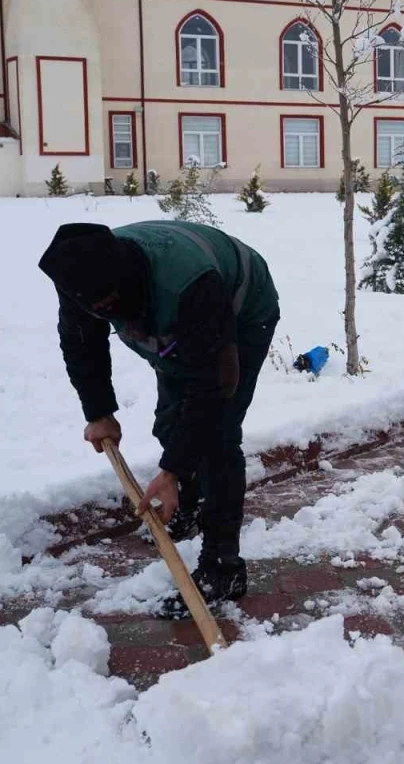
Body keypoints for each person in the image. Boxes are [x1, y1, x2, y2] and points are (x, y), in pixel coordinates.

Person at [38, 220, 279, 618]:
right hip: (174, 312)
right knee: (172, 420)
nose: (102, 315)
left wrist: (170, 469)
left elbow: (211, 391)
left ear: (125, 282)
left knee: (217, 437)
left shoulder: (188, 284)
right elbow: (82, 342)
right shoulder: (79, 274)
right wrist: (99, 411)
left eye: (108, 307)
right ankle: (184, 502)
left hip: (242, 308)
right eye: (95, 309)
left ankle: (223, 569)